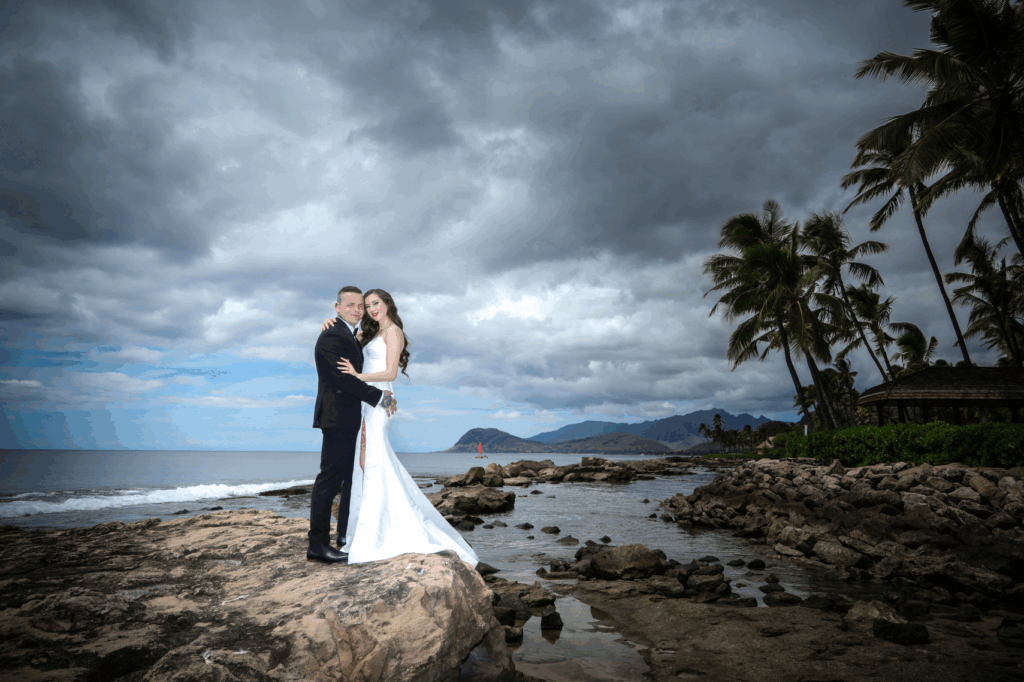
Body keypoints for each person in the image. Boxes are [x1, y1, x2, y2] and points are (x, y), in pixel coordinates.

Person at [321, 288, 478, 566]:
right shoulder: (369, 333)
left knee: (373, 459)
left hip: (379, 399)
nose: (371, 309)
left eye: (375, 303)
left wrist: (359, 375)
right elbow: (345, 336)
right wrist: (328, 323)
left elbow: (391, 372)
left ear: (387, 303)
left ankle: (380, 531)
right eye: (367, 305)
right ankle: (360, 531)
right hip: (365, 399)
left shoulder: (393, 332)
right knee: (363, 461)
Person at [308, 286, 397, 564]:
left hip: (350, 418)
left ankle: (343, 536)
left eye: (361, 306)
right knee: (329, 480)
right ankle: (318, 545)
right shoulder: (332, 334)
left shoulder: (348, 333)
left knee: (349, 479)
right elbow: (342, 379)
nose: (358, 310)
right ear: (337, 307)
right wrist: (379, 397)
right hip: (337, 418)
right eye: (350, 306)